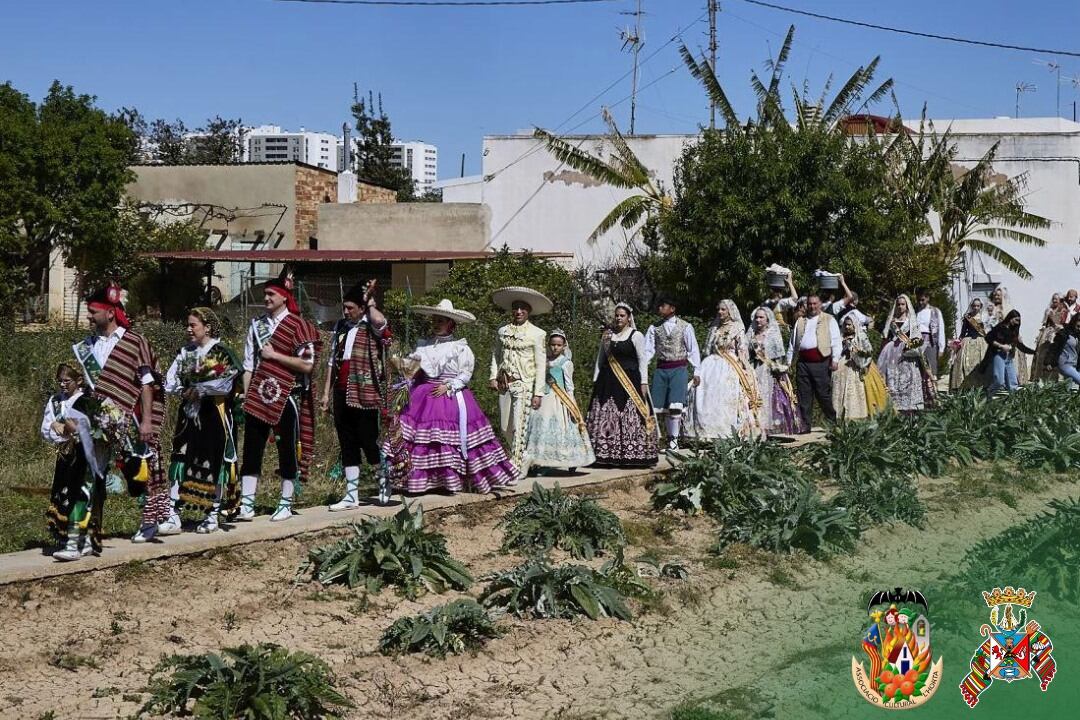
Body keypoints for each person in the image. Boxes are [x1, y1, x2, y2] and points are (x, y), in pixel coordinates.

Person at [387, 299, 518, 493]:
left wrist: (449, 385)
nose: (437, 323)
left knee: (448, 440)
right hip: (424, 395)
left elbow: (465, 374)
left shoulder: (460, 348)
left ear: (451, 324)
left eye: (441, 320)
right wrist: (397, 362)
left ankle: (452, 481)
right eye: (435, 320)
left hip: (450, 395)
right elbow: (412, 369)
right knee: (421, 440)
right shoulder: (424, 346)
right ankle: (417, 480)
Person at [73, 281, 167, 544]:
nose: (89, 316)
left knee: (141, 470)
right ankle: (90, 530)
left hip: (131, 417)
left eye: (93, 311)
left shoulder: (134, 341)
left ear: (110, 312)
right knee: (94, 471)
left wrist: (147, 421)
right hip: (99, 420)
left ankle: (150, 521)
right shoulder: (87, 345)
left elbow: (147, 383)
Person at [238, 269, 320, 522]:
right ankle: (247, 503)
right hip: (258, 396)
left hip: (288, 396)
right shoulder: (257, 325)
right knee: (252, 449)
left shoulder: (299, 326)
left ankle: (286, 501)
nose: (266, 298)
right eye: (265, 294)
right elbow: (249, 364)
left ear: (284, 296)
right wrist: (247, 393)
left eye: (271, 294)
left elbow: (307, 365)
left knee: (287, 449)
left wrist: (275, 357)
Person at [161, 308, 242, 534]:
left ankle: (212, 514)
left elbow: (227, 383)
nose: (188, 329)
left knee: (213, 461)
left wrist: (201, 388)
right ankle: (173, 513)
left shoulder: (220, 351)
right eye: (187, 325)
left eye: (193, 325)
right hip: (189, 414)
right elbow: (170, 381)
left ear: (207, 327)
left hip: (213, 413)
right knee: (179, 457)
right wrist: (183, 390)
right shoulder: (185, 352)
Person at [321, 280, 390, 511]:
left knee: (368, 440)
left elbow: (381, 321)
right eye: (345, 307)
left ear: (361, 308)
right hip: (342, 391)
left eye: (351, 307)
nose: (346, 311)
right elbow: (332, 360)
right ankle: (351, 495)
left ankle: (383, 478)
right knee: (347, 442)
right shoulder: (341, 327)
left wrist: (370, 302)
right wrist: (326, 392)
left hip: (364, 391)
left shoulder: (371, 323)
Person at [586, 303, 658, 467]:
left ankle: (633, 455)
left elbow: (642, 360)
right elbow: (600, 359)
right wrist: (596, 381)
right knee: (606, 416)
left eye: (622, 316)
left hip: (630, 382)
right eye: (617, 315)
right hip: (607, 382)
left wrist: (644, 382)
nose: (618, 318)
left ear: (628, 318)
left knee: (630, 416)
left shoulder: (636, 335)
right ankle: (605, 454)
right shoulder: (607, 336)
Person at [489, 286, 550, 476]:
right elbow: (496, 355)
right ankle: (524, 456)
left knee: (519, 424)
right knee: (505, 426)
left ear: (529, 311)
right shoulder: (502, 331)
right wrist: (492, 376)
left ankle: (516, 465)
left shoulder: (537, 334)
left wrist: (538, 392)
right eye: (515, 308)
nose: (518, 312)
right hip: (504, 383)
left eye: (523, 308)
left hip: (524, 384)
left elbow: (541, 365)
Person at [42, 364, 99, 561]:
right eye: (60, 381)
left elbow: (92, 428)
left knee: (81, 493)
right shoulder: (55, 401)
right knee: (62, 492)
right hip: (65, 454)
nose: (62, 385)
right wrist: (54, 426)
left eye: (67, 381)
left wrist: (72, 429)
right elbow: (46, 428)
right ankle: (64, 537)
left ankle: (82, 540)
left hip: (84, 455)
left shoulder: (86, 400)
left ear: (79, 381)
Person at [687, 300, 762, 440]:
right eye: (719, 309)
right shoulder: (714, 328)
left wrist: (745, 368)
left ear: (730, 311)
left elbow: (742, 350)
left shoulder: (737, 327)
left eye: (723, 310)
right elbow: (707, 350)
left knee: (728, 392)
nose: (720, 312)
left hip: (731, 363)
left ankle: (727, 431)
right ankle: (705, 432)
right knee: (700, 391)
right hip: (712, 364)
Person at [523, 329, 596, 471]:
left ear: (564, 346)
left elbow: (569, 387)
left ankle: (570, 460)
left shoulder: (566, 363)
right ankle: (539, 460)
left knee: (563, 428)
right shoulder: (544, 361)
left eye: (558, 345)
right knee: (540, 427)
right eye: (552, 344)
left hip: (560, 400)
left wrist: (572, 405)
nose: (555, 347)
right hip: (544, 398)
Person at [643, 296, 702, 449]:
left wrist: (697, 370)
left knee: (675, 405)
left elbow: (692, 349)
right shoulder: (653, 328)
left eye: (663, 306)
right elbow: (648, 351)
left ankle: (673, 441)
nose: (659, 309)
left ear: (672, 309)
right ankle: (667, 437)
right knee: (661, 407)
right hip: (661, 369)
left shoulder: (685, 327)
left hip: (679, 369)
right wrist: (641, 369)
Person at [786, 295, 842, 432]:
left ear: (820, 304)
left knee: (823, 394)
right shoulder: (800, 321)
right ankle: (805, 425)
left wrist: (835, 360)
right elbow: (792, 345)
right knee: (804, 395)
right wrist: (788, 363)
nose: (812, 306)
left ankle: (832, 422)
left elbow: (836, 341)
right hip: (803, 363)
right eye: (810, 304)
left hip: (821, 362)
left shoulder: (829, 319)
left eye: (815, 303)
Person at [745, 307, 802, 434]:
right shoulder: (751, 334)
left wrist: (775, 368)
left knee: (768, 397)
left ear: (767, 319)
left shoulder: (773, 334)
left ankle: (769, 427)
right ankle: (755, 426)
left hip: (769, 371)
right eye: (756, 317)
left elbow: (779, 356)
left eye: (761, 317)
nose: (758, 320)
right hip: (754, 370)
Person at [878, 295, 928, 413]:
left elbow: (917, 340)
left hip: (908, 357)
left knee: (909, 381)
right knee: (893, 382)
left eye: (902, 304)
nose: (900, 306)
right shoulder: (892, 322)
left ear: (907, 306)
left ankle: (911, 409)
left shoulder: (912, 322)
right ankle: (896, 409)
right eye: (898, 304)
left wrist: (910, 347)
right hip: (893, 356)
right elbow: (886, 338)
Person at [833, 315, 887, 420]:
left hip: (857, 368)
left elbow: (868, 352)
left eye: (849, 325)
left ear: (855, 325)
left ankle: (856, 416)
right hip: (842, 367)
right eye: (846, 325)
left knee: (856, 391)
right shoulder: (840, 337)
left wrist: (856, 354)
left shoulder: (861, 336)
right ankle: (840, 416)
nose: (847, 327)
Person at [981, 309, 1035, 396]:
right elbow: (988, 338)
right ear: (1011, 318)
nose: (1017, 323)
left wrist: (1034, 352)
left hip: (1008, 358)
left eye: (1019, 321)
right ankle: (988, 395)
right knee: (999, 381)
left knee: (1013, 383)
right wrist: (1001, 346)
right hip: (998, 355)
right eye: (1016, 320)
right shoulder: (1000, 327)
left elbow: (1021, 346)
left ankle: (1013, 403)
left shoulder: (1014, 331)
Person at [986, 285, 1029, 385]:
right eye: (995, 295)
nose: (996, 297)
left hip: (1008, 338)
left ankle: (1011, 383)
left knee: (1010, 360)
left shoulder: (1009, 308)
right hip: (995, 338)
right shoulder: (990, 308)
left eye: (999, 295)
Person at [949, 298, 990, 391]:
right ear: (971, 306)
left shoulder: (985, 317)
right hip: (968, 341)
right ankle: (965, 386)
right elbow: (963, 332)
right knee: (964, 364)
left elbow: (987, 331)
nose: (976, 308)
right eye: (974, 306)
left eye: (978, 306)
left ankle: (983, 385)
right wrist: (957, 342)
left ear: (980, 307)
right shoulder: (968, 317)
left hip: (981, 342)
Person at [1032, 293, 1067, 382]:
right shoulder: (1048, 310)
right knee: (1042, 354)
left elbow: (1064, 323)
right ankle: (1039, 377)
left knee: (1054, 353)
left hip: (1057, 333)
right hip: (1047, 333)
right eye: (1053, 299)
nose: (1054, 301)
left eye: (1056, 299)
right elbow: (1045, 323)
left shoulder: (1063, 310)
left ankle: (1055, 377)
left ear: (1060, 300)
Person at [914, 291, 947, 377]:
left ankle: (932, 389)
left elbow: (941, 329)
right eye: (919, 300)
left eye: (922, 300)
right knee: (918, 369)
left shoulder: (935, 312)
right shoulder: (915, 311)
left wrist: (941, 348)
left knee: (931, 368)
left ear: (927, 298)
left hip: (930, 343)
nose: (920, 302)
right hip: (917, 343)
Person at [1051, 313, 1080, 388]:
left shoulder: (1077, 335)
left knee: (1070, 389)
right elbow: (1054, 347)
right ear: (1074, 322)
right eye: (1078, 326)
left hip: (1074, 365)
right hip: (1065, 364)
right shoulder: (1064, 333)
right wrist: (1049, 362)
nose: (1079, 328)